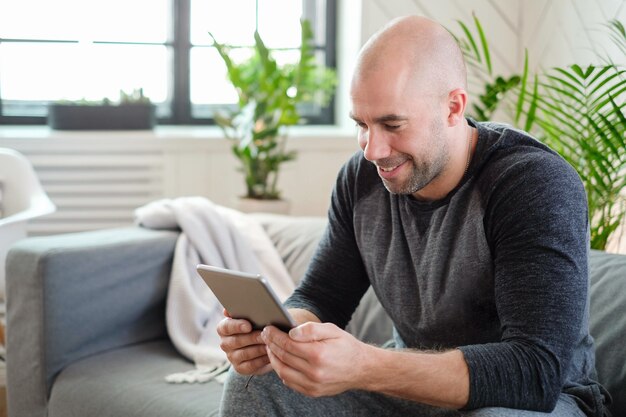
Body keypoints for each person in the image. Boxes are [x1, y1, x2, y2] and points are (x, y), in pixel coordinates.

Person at [217, 15, 611, 417]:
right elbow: (321, 297)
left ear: (453, 107)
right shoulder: (361, 178)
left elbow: (533, 373)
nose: (372, 150)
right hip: (409, 393)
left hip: (534, 402)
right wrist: (277, 336)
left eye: (392, 124)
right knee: (257, 382)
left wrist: (364, 366)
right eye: (362, 124)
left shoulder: (532, 183)